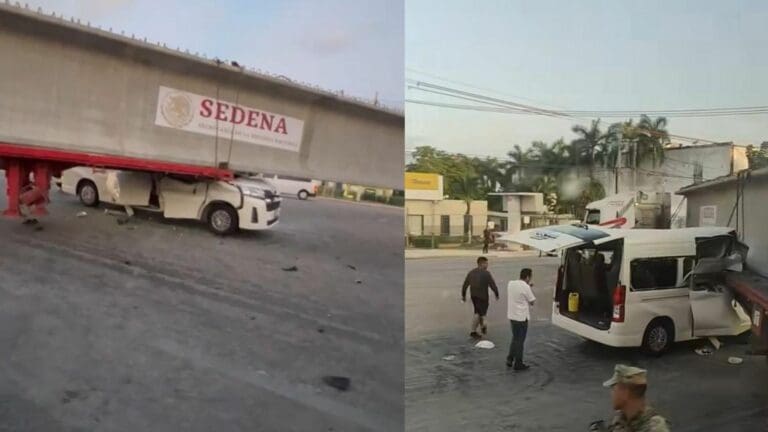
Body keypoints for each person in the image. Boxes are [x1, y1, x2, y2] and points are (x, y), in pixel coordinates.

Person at [592, 364, 670, 432]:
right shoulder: (620, 419)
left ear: (625, 392)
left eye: (613, 389)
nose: (612, 393)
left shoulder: (655, 428)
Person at [461, 256, 499, 339]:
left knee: (478, 312)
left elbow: (465, 285)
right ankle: (479, 328)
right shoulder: (486, 273)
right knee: (481, 313)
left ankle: (478, 329)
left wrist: (463, 296)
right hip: (483, 297)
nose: (487, 265)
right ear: (482, 264)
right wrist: (496, 294)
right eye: (486, 263)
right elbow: (492, 285)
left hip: (474, 296)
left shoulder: (471, 273)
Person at [506, 268, 535, 371]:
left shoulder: (511, 283)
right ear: (527, 277)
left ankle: (510, 358)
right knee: (520, 341)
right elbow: (532, 301)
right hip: (522, 317)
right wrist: (528, 288)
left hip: (512, 316)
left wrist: (528, 287)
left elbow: (519, 289)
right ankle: (518, 363)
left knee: (515, 338)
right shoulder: (526, 287)